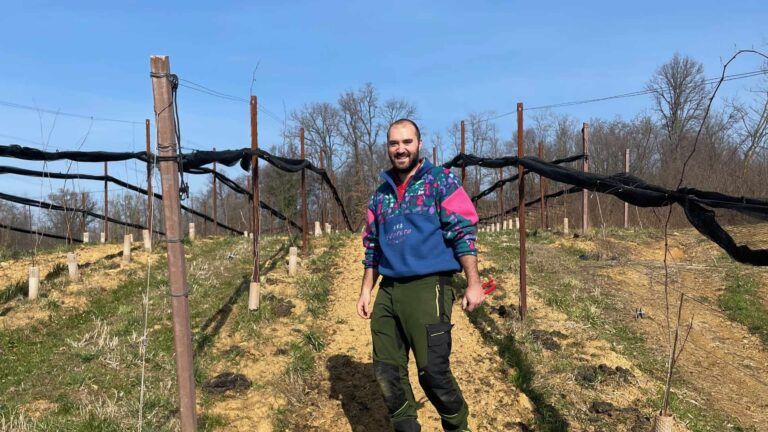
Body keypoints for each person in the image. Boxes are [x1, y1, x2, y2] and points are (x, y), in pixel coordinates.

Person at [357, 118, 485, 432]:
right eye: (394, 143)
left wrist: (474, 282)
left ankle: (457, 426)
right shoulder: (380, 196)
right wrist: (366, 290)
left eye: (407, 142)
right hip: (389, 290)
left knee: (433, 372)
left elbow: (462, 231)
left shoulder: (440, 181)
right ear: (388, 147)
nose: (400, 149)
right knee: (387, 371)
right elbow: (373, 246)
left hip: (428, 286)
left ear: (419, 144)